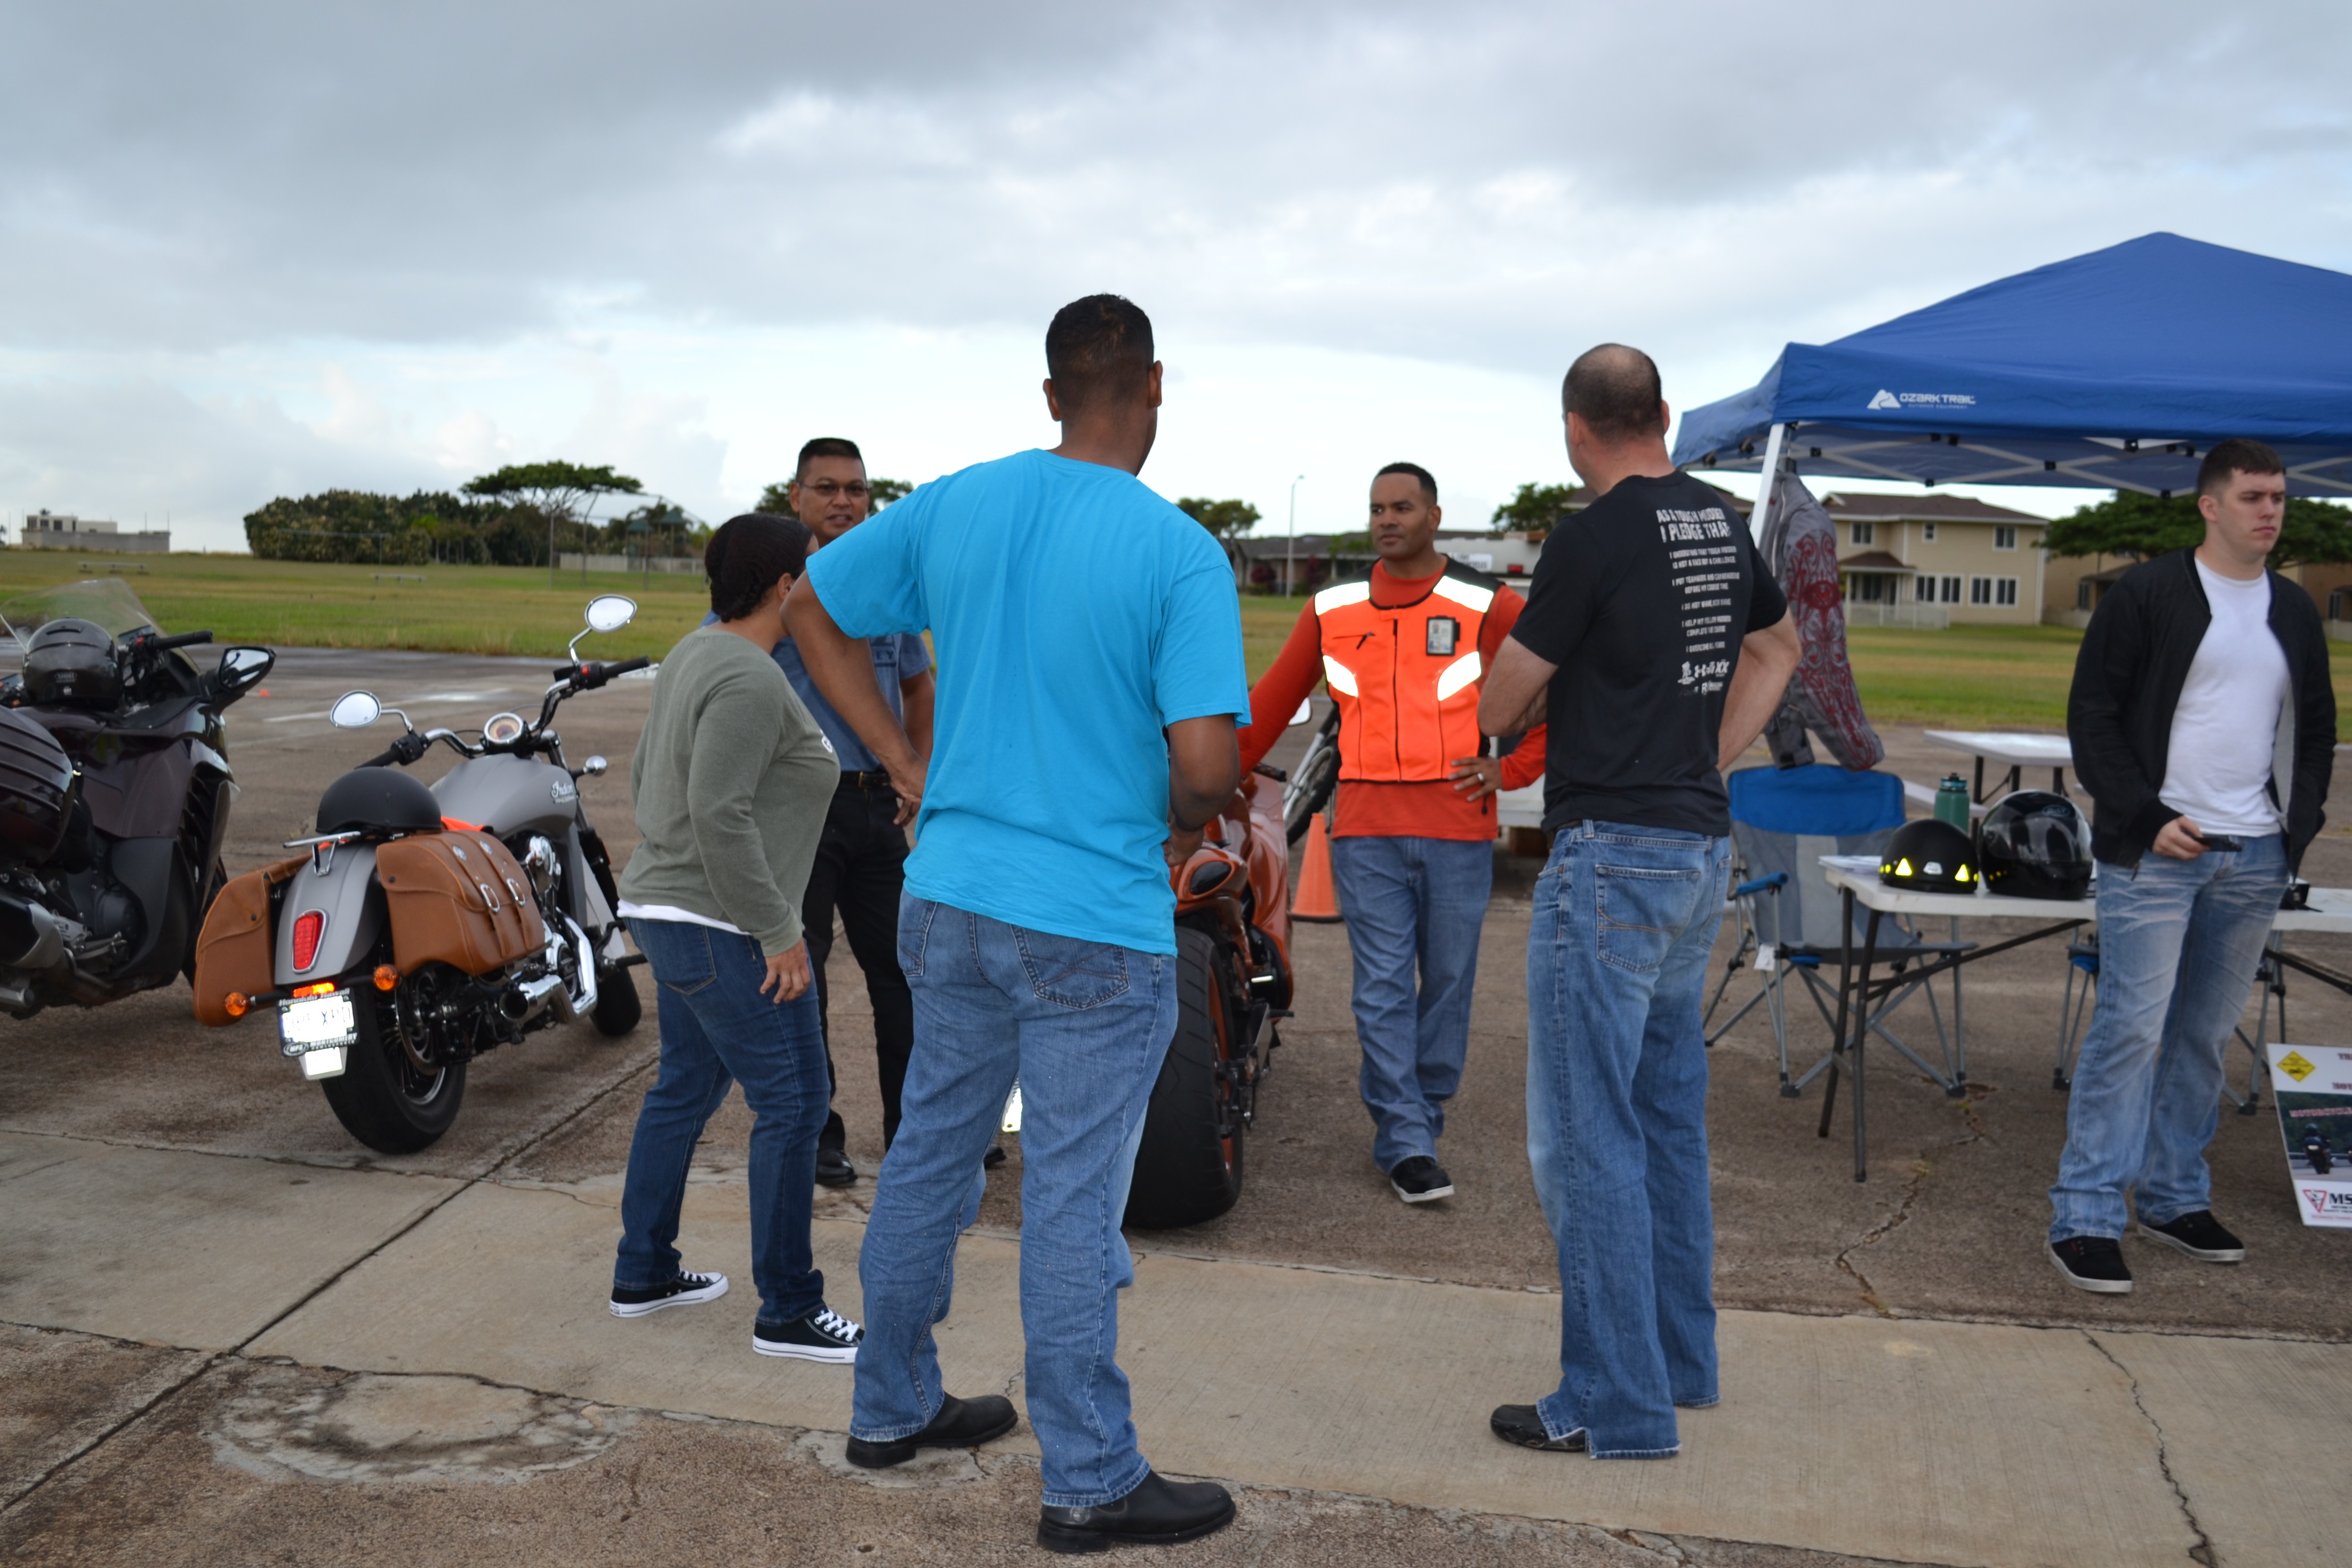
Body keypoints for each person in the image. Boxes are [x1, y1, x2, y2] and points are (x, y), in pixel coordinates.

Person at [787, 295, 1248, 1553]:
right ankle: (1091, 1477)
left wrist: (898, 758)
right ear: (1153, 385)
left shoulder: (957, 501)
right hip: (1091, 916)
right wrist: (1181, 814)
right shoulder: (1178, 552)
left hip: (953, 895)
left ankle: (889, 1404)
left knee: (933, 1151)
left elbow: (810, 609)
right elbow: (1207, 772)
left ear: (1051, 394)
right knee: (1072, 1200)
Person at [1477, 345, 1799, 1459]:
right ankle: (1675, 1364)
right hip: (1695, 849)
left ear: (1575, 431)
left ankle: (1615, 1401)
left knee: (1586, 1132)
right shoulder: (1719, 520)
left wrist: (1508, 667)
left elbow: (1503, 704)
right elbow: (1779, 646)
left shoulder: (1592, 536)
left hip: (1609, 852)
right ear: (1664, 414)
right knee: (1665, 1118)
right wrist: (1708, 754)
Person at [2047, 438, 2335, 1293]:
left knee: (2205, 1036)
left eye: (2279, 496)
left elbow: (2314, 728)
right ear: (2210, 506)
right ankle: (2087, 1215)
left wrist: (2296, 827)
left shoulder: (2291, 608)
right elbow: (2092, 716)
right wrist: (2147, 815)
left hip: (2255, 855)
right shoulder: (2146, 593)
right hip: (2157, 852)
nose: (2271, 511)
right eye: (2253, 497)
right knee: (2131, 1032)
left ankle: (2174, 1197)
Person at [1235, 462, 1546, 1203]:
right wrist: (1198, 772)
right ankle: (1404, 1136)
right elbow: (1267, 709)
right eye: (1377, 508)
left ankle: (1423, 1111)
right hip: (1365, 830)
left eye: (1402, 507)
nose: (1387, 520)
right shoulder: (1332, 608)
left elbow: (1566, 692)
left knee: (1446, 984)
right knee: (1379, 987)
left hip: (1457, 828)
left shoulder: (1488, 604)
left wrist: (1512, 772)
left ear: (1434, 516)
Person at [606, 513, 866, 1364]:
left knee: (683, 1087)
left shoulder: (695, 653)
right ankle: (789, 1308)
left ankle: (643, 1270)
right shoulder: (749, 679)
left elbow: (654, 781)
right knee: (793, 1103)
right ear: (784, 585)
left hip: (674, 913)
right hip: (722, 926)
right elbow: (722, 812)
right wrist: (779, 931)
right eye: (813, 575)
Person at [756, 436, 936, 1187]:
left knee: (907, 976)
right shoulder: (772, 588)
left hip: (876, 809)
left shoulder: (885, 590)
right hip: (800, 812)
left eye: (856, 490)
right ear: (795, 498)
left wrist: (913, 770)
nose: (842, 501)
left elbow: (920, 688)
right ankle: (818, 1133)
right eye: (825, 488)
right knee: (807, 978)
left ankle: (918, 1132)